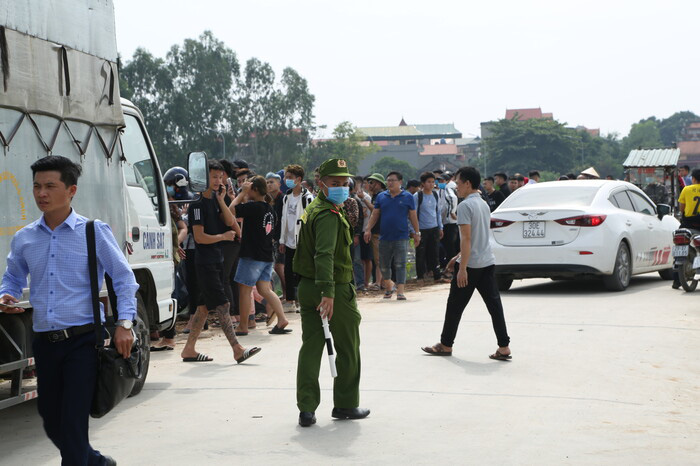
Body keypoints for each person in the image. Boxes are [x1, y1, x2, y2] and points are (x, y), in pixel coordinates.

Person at [0, 155, 138, 465]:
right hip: (44, 341)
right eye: (36, 186)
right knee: (52, 420)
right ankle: (99, 463)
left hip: (82, 341)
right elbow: (12, 277)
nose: (41, 194)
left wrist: (125, 323)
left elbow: (124, 279)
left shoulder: (93, 232)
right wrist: (7, 295)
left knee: (74, 423)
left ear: (71, 190)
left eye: (50, 186)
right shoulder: (25, 238)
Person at [294, 158, 369, 427]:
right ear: (321, 184)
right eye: (335, 183)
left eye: (344, 182)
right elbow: (323, 254)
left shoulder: (313, 208)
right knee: (348, 346)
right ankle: (346, 404)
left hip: (308, 286)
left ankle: (306, 408)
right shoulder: (329, 214)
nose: (341, 187)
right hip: (332, 288)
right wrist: (328, 293)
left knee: (311, 347)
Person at [422, 166, 511, 361]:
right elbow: (478, 237)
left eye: (459, 183)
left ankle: (446, 344)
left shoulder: (464, 206)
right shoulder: (482, 203)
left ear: (468, 183)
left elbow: (467, 239)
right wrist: (457, 257)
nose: (456, 188)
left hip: (471, 265)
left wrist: (462, 268)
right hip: (487, 261)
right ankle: (504, 346)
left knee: (454, 306)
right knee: (494, 305)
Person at [181, 160, 260, 363]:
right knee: (223, 304)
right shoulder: (197, 205)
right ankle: (237, 349)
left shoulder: (217, 201)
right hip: (205, 263)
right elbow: (199, 237)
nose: (218, 180)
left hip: (217, 259)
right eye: (214, 176)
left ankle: (189, 349)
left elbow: (231, 223)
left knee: (203, 307)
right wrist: (223, 238)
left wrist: (222, 200)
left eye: (220, 176)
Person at [231, 176, 290, 335]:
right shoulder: (269, 208)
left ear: (255, 190)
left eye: (249, 188)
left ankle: (243, 325)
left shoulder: (254, 207)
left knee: (244, 290)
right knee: (265, 289)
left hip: (252, 255)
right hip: (266, 256)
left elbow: (231, 210)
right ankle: (282, 318)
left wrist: (241, 193)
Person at [364, 171, 421, 300]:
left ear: (400, 182)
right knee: (383, 264)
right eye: (388, 180)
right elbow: (375, 214)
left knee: (400, 263)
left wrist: (417, 233)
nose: (389, 183)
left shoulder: (407, 197)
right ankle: (389, 286)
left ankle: (400, 291)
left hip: (401, 236)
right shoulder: (381, 197)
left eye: (392, 180)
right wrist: (368, 229)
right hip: (384, 237)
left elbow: (413, 215)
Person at [152, 167, 190, 351]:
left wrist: (175, 245)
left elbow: (182, 228)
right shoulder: (157, 203)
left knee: (172, 293)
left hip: (169, 256)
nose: (167, 189)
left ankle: (169, 337)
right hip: (162, 254)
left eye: (169, 185)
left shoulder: (173, 205)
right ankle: (163, 334)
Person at [280, 164, 315, 312]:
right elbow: (283, 219)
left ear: (298, 179)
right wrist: (282, 240)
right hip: (288, 241)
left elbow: (310, 220)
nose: (286, 180)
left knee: (302, 271)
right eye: (285, 177)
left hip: (302, 241)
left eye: (289, 177)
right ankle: (290, 301)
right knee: (288, 271)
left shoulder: (307, 198)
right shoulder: (286, 197)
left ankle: (303, 300)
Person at [414, 172, 445, 283]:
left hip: (434, 228)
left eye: (433, 182)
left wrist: (440, 227)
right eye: (429, 182)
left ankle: (437, 276)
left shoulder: (435, 195)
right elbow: (413, 214)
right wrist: (414, 231)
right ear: (423, 183)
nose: (431, 184)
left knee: (435, 253)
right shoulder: (418, 196)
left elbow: (438, 212)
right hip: (422, 229)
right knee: (421, 253)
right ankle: (420, 276)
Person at [266, 172, 286, 301]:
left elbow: (284, 221)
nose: (269, 185)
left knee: (280, 266)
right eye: (267, 182)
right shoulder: (268, 201)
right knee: (277, 267)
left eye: (272, 182)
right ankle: (285, 294)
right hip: (272, 238)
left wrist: (280, 238)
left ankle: (290, 294)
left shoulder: (283, 199)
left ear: (279, 184)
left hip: (282, 238)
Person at [365, 173, 387, 289]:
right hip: (379, 230)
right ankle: (381, 282)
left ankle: (379, 282)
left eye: (371, 182)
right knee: (379, 258)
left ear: (378, 184)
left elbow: (375, 210)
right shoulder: (377, 195)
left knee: (379, 258)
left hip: (379, 230)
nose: (369, 185)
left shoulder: (380, 196)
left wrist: (364, 199)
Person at [354, 176, 374, 291]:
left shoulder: (366, 197)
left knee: (367, 258)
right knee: (358, 259)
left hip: (365, 230)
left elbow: (373, 210)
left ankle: (366, 282)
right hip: (357, 231)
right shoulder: (352, 198)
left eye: (358, 184)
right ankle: (359, 281)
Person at [438, 173, 459, 273]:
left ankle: (452, 268)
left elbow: (453, 198)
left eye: (442, 181)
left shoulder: (448, 188)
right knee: (448, 246)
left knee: (450, 246)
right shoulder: (442, 189)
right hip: (447, 222)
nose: (440, 183)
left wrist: (452, 211)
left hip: (450, 222)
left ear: (447, 181)